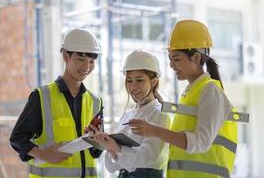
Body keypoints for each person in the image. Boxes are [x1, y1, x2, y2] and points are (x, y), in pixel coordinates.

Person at [129, 20, 238, 178]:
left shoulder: (210, 91)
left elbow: (200, 142)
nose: (171, 65)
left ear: (195, 57)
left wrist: (154, 131)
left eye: (176, 59)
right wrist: (159, 104)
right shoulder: (192, 92)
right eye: (170, 59)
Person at [9, 28, 104, 178]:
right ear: (66, 56)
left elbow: (95, 152)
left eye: (91, 61)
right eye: (81, 59)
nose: (87, 67)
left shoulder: (96, 102)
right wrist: (43, 154)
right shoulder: (42, 96)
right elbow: (17, 138)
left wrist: (100, 141)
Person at [89, 50, 172, 178]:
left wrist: (117, 148)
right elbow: (113, 167)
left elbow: (149, 156)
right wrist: (106, 144)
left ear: (154, 82)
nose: (133, 87)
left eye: (139, 80)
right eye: (129, 81)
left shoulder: (160, 114)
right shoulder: (127, 115)